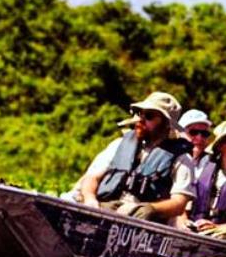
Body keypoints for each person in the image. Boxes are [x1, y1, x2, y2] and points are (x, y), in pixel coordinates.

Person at [67, 92, 188, 220]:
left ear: (167, 123)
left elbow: (179, 203)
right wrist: (90, 199)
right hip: (105, 208)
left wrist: (150, 209)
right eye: (140, 113)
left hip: (143, 221)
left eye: (149, 116)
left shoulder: (181, 159)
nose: (141, 119)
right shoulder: (119, 145)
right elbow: (92, 177)